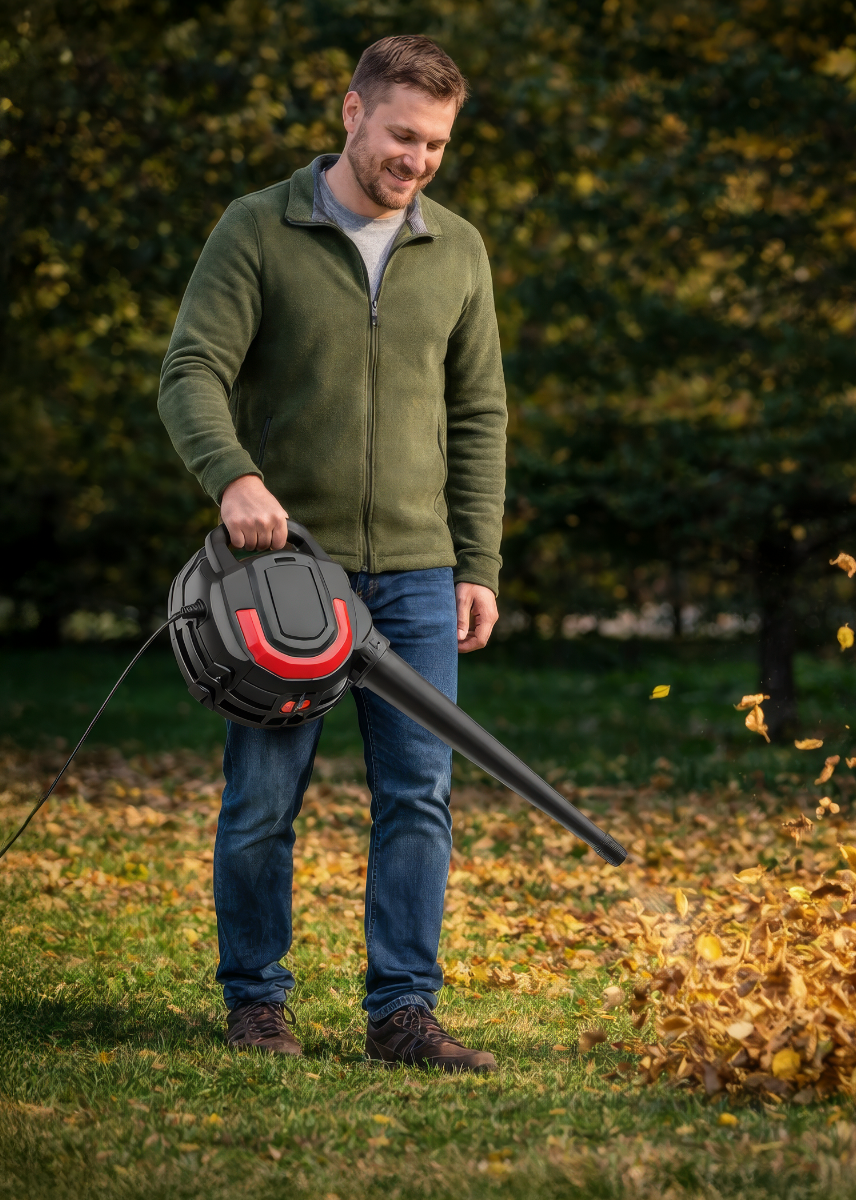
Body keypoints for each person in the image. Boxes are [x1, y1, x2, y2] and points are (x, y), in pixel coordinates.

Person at [157, 35, 505, 1073]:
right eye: (402, 135)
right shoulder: (258, 227)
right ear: (350, 113)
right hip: (285, 578)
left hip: (416, 575)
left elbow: (480, 412)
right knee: (263, 797)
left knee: (419, 795)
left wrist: (476, 562)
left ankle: (403, 1011)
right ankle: (256, 999)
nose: (417, 160)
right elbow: (190, 372)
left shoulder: (460, 249)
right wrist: (235, 478)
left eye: (436, 143)